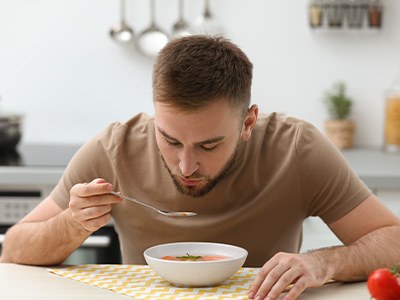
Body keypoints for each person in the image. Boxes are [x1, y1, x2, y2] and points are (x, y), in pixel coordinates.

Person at [1, 35, 400, 300]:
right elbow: (13, 251)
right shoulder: (114, 147)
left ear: (248, 123)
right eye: (170, 140)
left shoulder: (296, 147)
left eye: (209, 145)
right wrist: (71, 223)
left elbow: (393, 240)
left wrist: (321, 262)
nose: (186, 165)